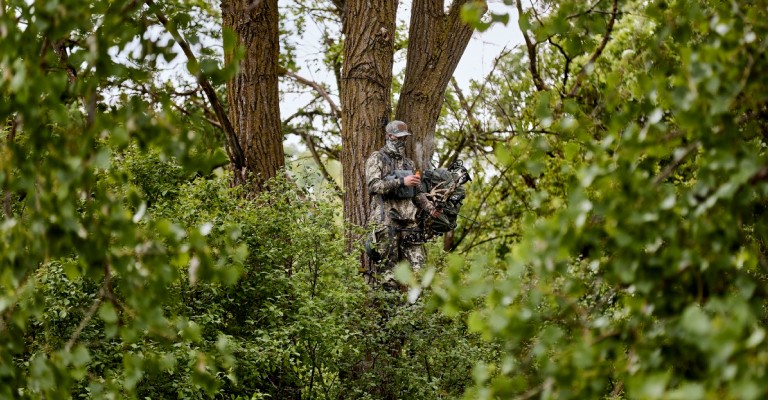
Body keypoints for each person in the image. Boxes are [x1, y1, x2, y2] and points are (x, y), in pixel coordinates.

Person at [364, 120, 441, 290]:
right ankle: (390, 315)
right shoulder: (377, 158)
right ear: (388, 136)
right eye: (398, 137)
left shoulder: (409, 164)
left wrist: (431, 208)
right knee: (388, 277)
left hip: (410, 224)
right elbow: (373, 186)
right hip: (386, 223)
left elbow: (418, 193)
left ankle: (416, 314)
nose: (401, 141)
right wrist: (401, 181)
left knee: (420, 274)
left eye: (404, 138)